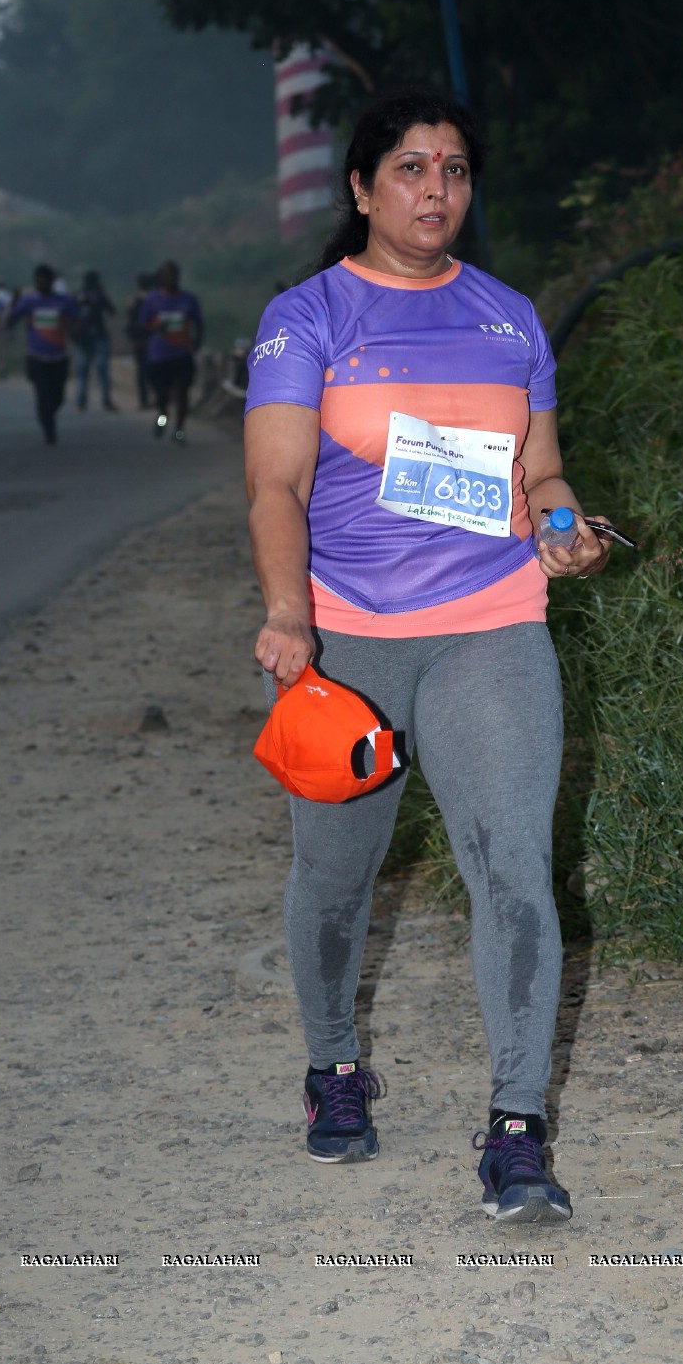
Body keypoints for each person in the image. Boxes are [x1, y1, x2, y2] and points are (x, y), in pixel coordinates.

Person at [243, 87, 611, 1225]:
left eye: (453, 170)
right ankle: (334, 1068)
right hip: (347, 637)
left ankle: (516, 1130)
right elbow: (276, 485)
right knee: (338, 876)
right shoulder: (308, 318)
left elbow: (537, 474)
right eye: (409, 168)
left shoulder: (508, 318)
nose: (434, 191)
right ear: (360, 188)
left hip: (489, 624)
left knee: (513, 872)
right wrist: (287, 614)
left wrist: (562, 526)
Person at [7, 264, 81, 445]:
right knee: (42, 396)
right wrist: (13, 303)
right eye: (38, 280)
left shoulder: (63, 301)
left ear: (51, 281)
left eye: (45, 280)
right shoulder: (28, 302)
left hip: (59, 357)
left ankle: (162, 420)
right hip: (37, 357)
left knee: (58, 398)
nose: (42, 283)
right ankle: (49, 429)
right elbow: (10, 322)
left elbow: (78, 319)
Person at [140, 260, 203, 443]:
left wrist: (197, 341)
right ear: (161, 278)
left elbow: (198, 323)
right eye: (167, 275)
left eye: (174, 275)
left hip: (182, 354)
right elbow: (142, 325)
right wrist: (155, 327)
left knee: (182, 393)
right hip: (159, 356)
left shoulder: (189, 300)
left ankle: (179, 430)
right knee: (162, 396)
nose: (171, 279)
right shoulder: (152, 300)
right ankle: (162, 417)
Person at [73, 270, 118, 413]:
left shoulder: (79, 295)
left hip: (82, 339)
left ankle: (81, 402)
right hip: (98, 336)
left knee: (82, 372)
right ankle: (105, 401)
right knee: (102, 371)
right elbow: (112, 311)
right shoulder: (99, 295)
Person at [124, 273, 156, 410]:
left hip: (139, 341)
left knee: (141, 372)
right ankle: (157, 397)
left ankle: (143, 401)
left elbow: (129, 320)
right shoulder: (154, 300)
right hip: (152, 340)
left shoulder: (134, 300)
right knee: (153, 370)